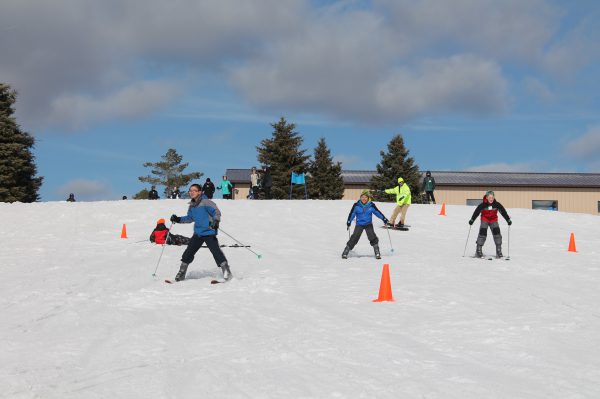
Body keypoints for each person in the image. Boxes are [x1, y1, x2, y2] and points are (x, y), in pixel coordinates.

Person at [170, 184, 232, 281]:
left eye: (194, 190)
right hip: (198, 233)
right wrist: (178, 219)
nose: (191, 192)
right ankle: (182, 272)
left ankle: (226, 271)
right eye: (190, 190)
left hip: (209, 232)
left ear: (200, 192)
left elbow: (216, 212)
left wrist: (215, 221)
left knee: (216, 252)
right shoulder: (192, 205)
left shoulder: (206, 202)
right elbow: (190, 218)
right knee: (188, 252)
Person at [342, 190, 389, 259]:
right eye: (362, 197)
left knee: (372, 236)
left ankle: (377, 251)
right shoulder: (356, 205)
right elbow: (352, 214)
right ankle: (346, 251)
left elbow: (377, 213)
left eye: (365, 197)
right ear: (360, 198)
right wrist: (349, 222)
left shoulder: (371, 205)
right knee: (354, 237)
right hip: (359, 224)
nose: (364, 199)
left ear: (368, 198)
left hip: (368, 224)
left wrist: (384, 219)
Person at [469, 190, 512, 258]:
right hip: (484, 219)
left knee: (497, 234)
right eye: (489, 197)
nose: (491, 199)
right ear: (486, 197)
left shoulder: (497, 204)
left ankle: (499, 251)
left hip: (493, 220)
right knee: (482, 233)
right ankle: (478, 250)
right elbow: (476, 212)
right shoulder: (482, 205)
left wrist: (508, 220)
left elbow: (503, 212)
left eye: (492, 197)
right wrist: (472, 220)